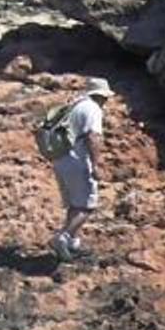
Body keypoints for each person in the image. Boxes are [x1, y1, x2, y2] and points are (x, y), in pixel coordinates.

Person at [50, 76, 113, 261]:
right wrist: (96, 165)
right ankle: (62, 237)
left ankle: (72, 244)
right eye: (106, 97)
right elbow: (93, 137)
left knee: (75, 204)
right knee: (87, 206)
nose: (106, 101)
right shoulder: (92, 108)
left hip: (61, 159)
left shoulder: (75, 104)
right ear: (100, 96)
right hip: (77, 161)